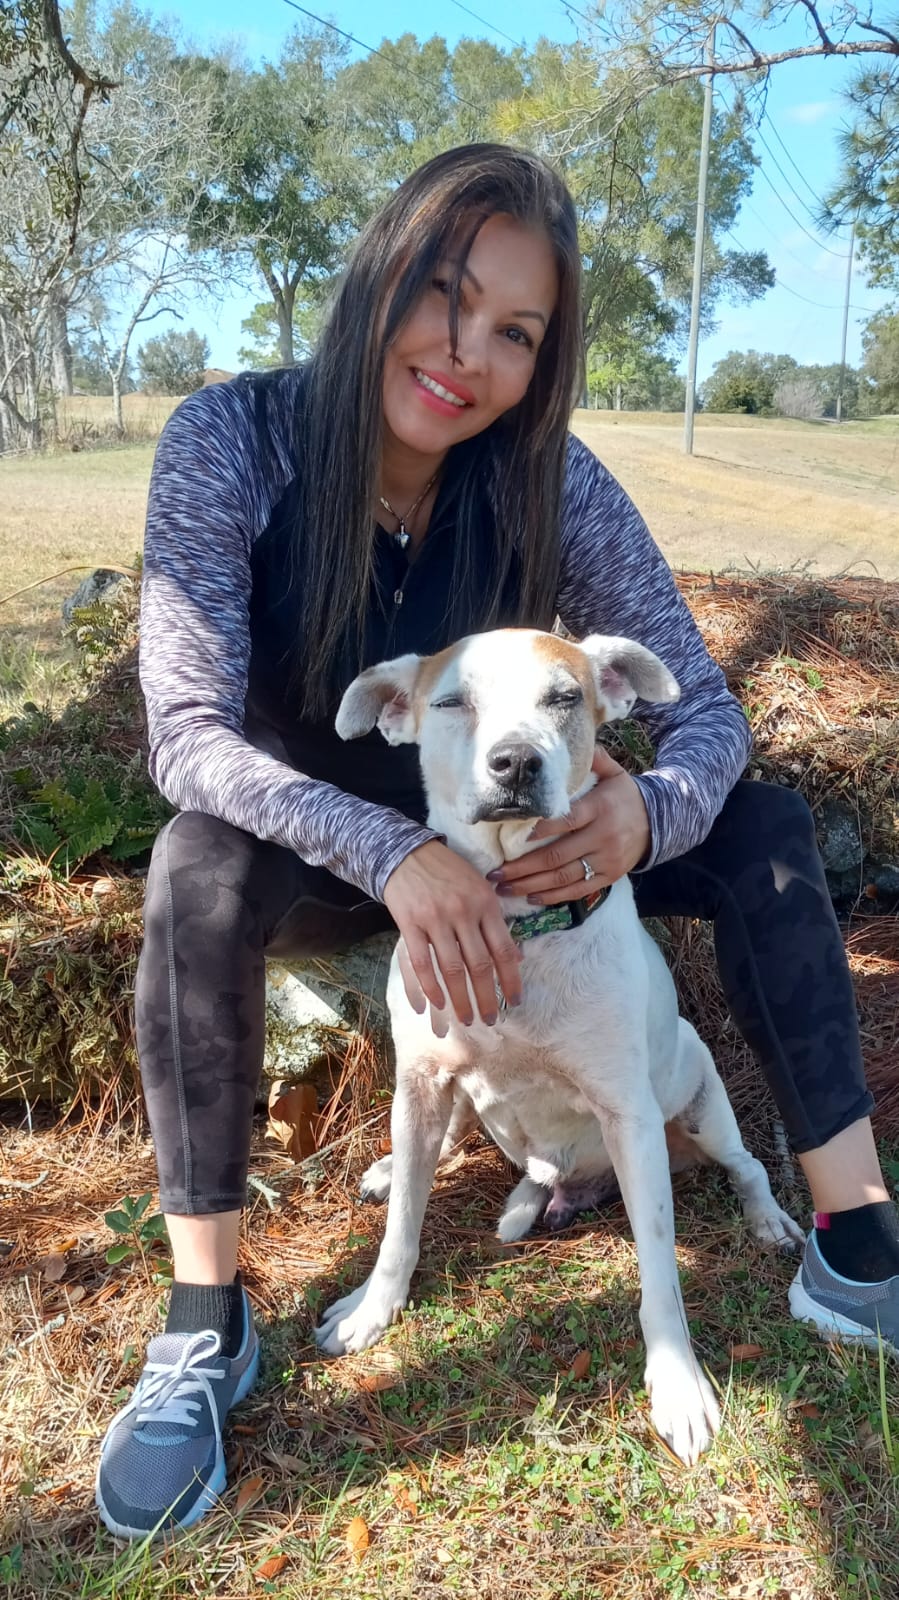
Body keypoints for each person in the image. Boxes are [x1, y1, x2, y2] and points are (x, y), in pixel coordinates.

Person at [95, 143, 899, 1540]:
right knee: (195, 864)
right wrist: (394, 852)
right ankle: (203, 1324)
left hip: (539, 856)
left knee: (764, 825)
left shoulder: (548, 481)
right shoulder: (235, 441)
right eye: (446, 293)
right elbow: (185, 736)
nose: (468, 353)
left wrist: (645, 813)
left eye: (517, 332)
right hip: (329, 857)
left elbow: (706, 712)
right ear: (380, 270)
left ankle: (854, 1236)